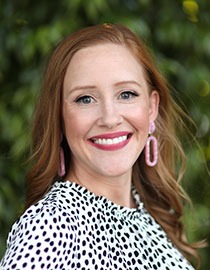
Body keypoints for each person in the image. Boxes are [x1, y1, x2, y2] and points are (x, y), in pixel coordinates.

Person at [0, 23, 202, 270]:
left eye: (126, 94)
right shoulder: (51, 226)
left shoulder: (149, 216)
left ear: (152, 108)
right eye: (85, 98)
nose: (109, 118)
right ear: (59, 118)